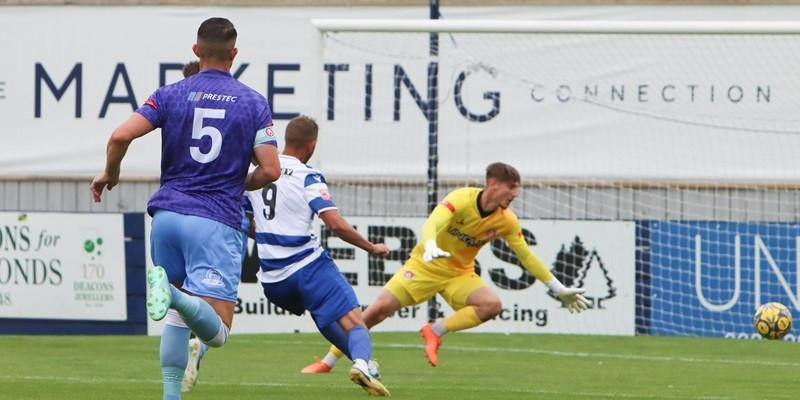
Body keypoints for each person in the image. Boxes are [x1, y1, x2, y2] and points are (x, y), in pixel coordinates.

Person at [90, 17, 280, 400]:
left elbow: (119, 135)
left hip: (166, 219)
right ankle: (174, 295)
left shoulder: (169, 94)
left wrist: (110, 173)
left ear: (196, 51)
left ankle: (171, 395)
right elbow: (271, 169)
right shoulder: (253, 103)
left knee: (176, 318)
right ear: (234, 54)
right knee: (219, 331)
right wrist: (237, 182)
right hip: (214, 221)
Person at [301, 162, 589, 373]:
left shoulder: (506, 220)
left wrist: (557, 288)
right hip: (424, 266)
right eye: (510, 190)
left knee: (491, 305)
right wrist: (428, 244)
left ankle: (435, 330)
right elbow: (433, 222)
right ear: (493, 184)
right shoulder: (461, 199)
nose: (514, 196)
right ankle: (328, 361)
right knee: (375, 312)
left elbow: (526, 256)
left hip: (459, 274)